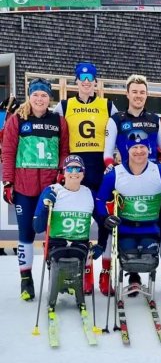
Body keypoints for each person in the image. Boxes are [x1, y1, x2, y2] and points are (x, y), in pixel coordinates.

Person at [103, 74, 161, 295]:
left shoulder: (154, 118)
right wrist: (111, 169)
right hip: (127, 180)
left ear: (147, 95)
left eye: (142, 92)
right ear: (127, 94)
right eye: (134, 91)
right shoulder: (116, 119)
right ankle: (133, 273)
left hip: (153, 180)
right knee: (130, 227)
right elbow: (107, 152)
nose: (138, 95)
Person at [54, 62, 118, 296]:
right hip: (75, 170)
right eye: (82, 79)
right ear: (76, 82)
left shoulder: (107, 105)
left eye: (90, 78)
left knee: (106, 221)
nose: (86, 82)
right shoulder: (64, 105)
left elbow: (117, 132)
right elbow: (56, 135)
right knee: (80, 221)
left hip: (100, 169)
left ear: (95, 82)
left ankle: (105, 274)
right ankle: (86, 271)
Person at [2, 78, 69, 300]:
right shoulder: (17, 120)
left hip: (49, 186)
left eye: (44, 95)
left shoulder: (59, 121)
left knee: (53, 233)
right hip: (24, 186)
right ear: (29, 96)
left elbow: (64, 151)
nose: (40, 99)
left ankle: (56, 274)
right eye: (35, 94)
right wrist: (8, 182)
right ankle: (26, 278)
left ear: (49, 98)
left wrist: (62, 172)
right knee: (26, 233)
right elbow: (8, 152)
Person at [96, 131, 161, 297]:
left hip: (151, 228)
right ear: (127, 150)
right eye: (134, 147)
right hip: (126, 228)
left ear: (149, 149)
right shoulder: (115, 174)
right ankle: (132, 277)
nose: (139, 151)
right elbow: (100, 199)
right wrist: (104, 217)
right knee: (129, 255)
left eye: (142, 146)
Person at [33, 155, 106, 301]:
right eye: (70, 168)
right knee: (57, 263)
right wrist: (46, 208)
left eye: (78, 168)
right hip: (56, 243)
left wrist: (101, 246)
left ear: (83, 173)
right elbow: (37, 227)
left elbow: (103, 222)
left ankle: (79, 292)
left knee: (78, 259)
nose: (74, 172)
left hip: (80, 244)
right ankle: (55, 291)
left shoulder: (89, 194)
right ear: (64, 172)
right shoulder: (52, 190)